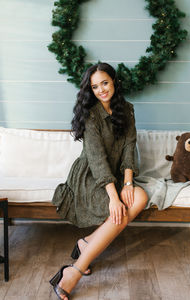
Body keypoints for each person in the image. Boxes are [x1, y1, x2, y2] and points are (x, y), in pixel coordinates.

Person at [50, 63, 148, 299]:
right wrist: (114, 198)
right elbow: (97, 161)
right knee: (121, 209)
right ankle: (74, 270)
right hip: (89, 176)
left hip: (114, 175)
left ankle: (87, 243)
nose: (101, 90)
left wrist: (127, 183)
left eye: (104, 83)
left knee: (140, 197)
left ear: (114, 81)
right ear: (90, 90)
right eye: (95, 86)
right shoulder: (90, 116)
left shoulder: (127, 109)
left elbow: (128, 148)